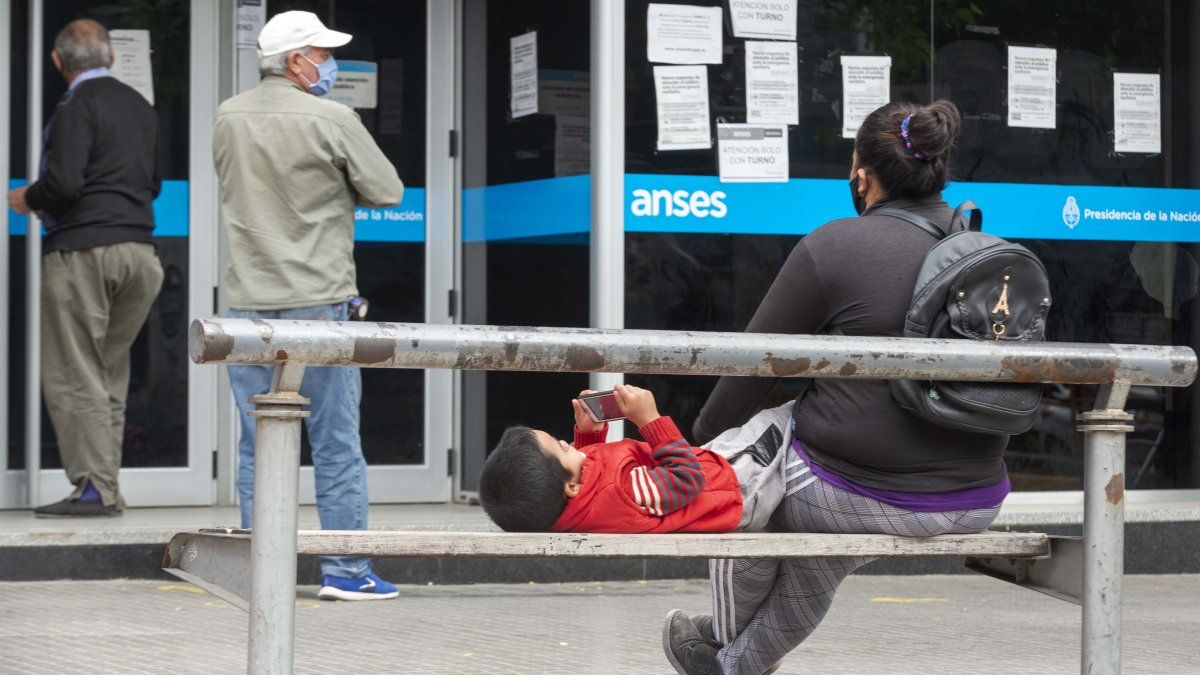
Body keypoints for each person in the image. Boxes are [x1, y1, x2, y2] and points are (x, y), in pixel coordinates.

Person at [663, 100, 1011, 675]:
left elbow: (752, 367)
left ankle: (719, 639)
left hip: (863, 492)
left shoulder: (836, 245)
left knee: (744, 475)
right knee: (812, 567)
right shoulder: (991, 253)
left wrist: (705, 444)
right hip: (977, 497)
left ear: (862, 174)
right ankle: (727, 665)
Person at [212, 11, 404, 601]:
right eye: (322, 53)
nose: (329, 64)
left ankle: (258, 572)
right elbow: (387, 188)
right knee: (335, 440)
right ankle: (345, 572)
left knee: (257, 442)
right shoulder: (333, 118)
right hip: (319, 303)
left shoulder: (227, 116)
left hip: (246, 308)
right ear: (296, 61)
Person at [7, 19, 164, 518]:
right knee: (107, 373)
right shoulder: (140, 107)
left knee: (74, 374)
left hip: (83, 254)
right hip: (140, 255)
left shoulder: (75, 106)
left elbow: (65, 183)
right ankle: (105, 487)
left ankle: (93, 489)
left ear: (57, 62)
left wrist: (26, 198)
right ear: (112, 58)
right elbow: (154, 182)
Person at [479, 384, 746, 534]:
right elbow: (686, 479)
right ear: (570, 486)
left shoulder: (568, 508)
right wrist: (650, 421)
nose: (564, 442)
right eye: (562, 448)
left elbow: (594, 490)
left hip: (718, 473)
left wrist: (587, 437)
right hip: (736, 483)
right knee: (777, 418)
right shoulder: (626, 491)